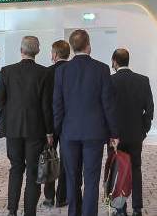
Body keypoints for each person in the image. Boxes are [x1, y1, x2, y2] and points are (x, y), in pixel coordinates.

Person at [53, 30, 118, 216]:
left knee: (72, 179)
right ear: (88, 46)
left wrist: (56, 131)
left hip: (69, 133)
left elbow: (57, 105)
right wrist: (114, 133)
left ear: (72, 47)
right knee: (91, 180)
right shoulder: (102, 69)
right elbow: (108, 104)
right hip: (94, 133)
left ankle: (74, 212)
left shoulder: (62, 71)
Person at [0, 36, 53, 216]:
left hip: (13, 129)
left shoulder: (6, 71)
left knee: (15, 168)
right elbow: (46, 106)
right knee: (32, 171)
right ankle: (29, 212)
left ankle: (12, 210)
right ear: (38, 51)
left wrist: (7, 119)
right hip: (36, 130)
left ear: (21, 50)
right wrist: (49, 131)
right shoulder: (44, 73)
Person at [111, 49, 154, 216]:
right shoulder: (143, 80)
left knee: (118, 171)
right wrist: (143, 130)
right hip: (136, 135)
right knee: (136, 170)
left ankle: (120, 209)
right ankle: (137, 209)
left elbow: (106, 110)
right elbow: (149, 109)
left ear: (115, 61)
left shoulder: (110, 81)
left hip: (116, 136)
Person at [43, 39, 71, 209]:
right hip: (69, 124)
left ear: (54, 54)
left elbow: (45, 103)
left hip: (50, 124)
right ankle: (62, 197)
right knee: (67, 160)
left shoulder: (46, 72)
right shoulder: (72, 71)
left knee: (49, 159)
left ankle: (49, 197)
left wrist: (48, 129)